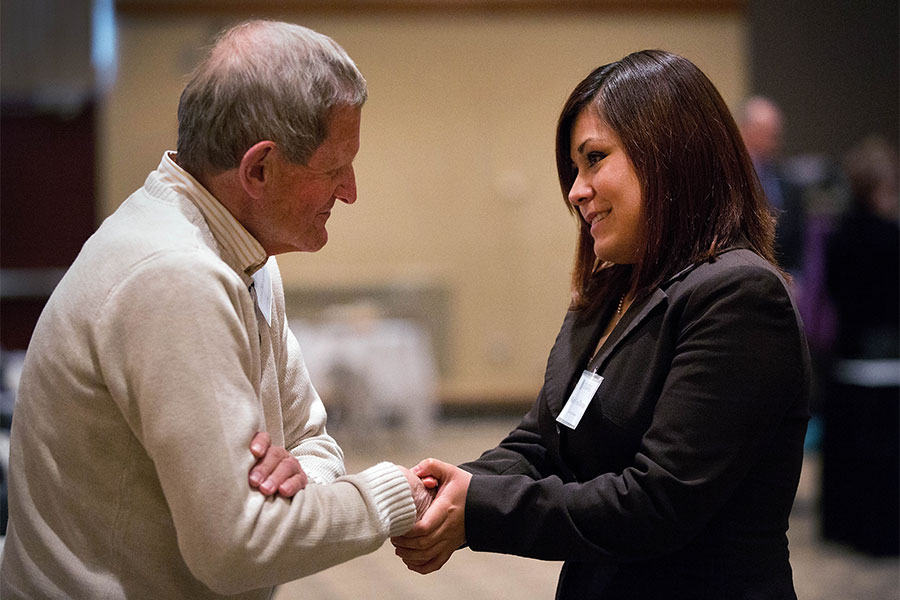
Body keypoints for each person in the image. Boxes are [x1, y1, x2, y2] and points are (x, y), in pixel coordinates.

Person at [0, 20, 433, 600]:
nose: (350, 191)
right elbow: (238, 548)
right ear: (258, 169)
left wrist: (304, 474)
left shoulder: (241, 252)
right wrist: (391, 494)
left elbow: (314, 438)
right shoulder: (175, 274)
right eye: (333, 169)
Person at [391, 50, 811, 599]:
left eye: (594, 159)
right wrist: (438, 486)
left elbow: (655, 503)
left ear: (669, 154)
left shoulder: (739, 295)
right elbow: (543, 441)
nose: (575, 190)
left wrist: (478, 508)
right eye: (575, 168)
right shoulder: (611, 289)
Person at [820, 134, 899, 555]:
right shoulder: (890, 237)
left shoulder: (838, 236)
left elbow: (834, 294)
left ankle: (847, 528)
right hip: (885, 363)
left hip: (848, 358)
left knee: (851, 456)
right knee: (883, 457)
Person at [738, 95, 806, 273]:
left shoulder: (788, 183)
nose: (776, 140)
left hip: (785, 274)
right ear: (746, 130)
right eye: (768, 132)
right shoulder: (730, 179)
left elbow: (798, 239)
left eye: (777, 133)